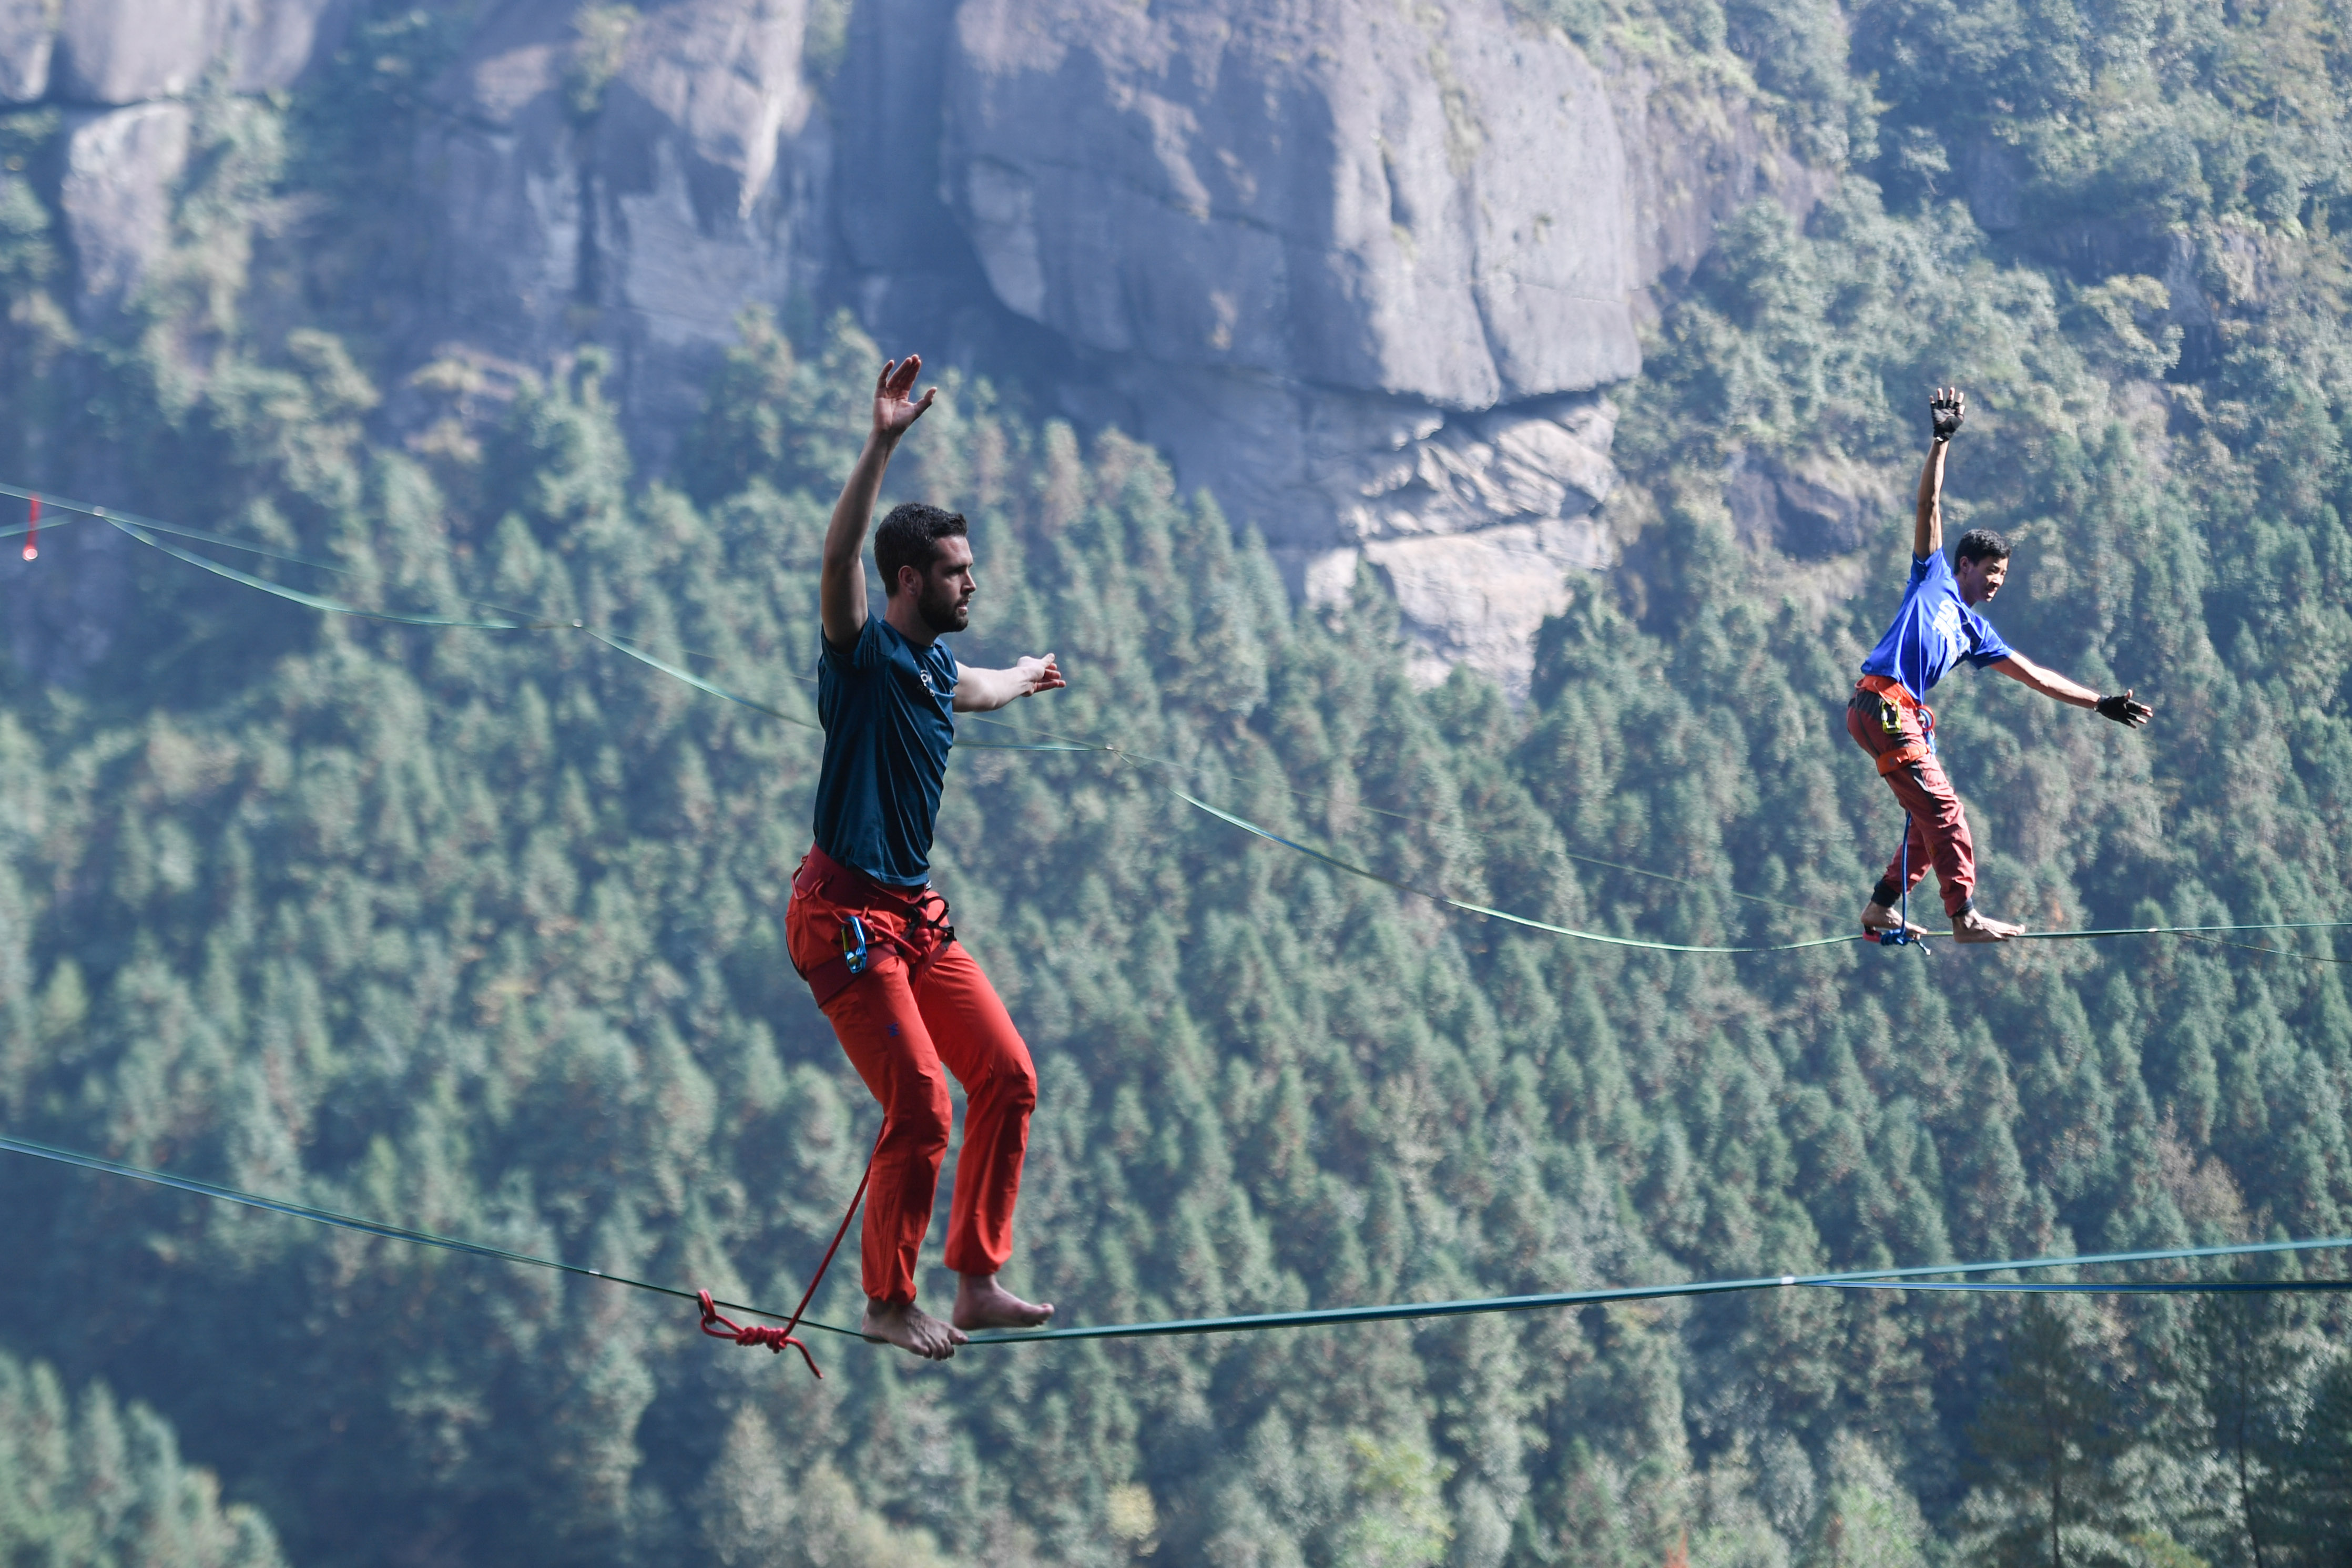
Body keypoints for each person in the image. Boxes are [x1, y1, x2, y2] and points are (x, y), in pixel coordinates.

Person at [786, 353, 1066, 1359]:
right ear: (908, 580)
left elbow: (978, 687)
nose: (971, 580)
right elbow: (835, 562)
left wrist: (1031, 673)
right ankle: (885, 1297)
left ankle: (978, 1276)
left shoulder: (938, 665)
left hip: (911, 915)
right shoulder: (862, 657)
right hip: (845, 922)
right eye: (956, 571)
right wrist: (880, 444)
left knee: (1008, 1075)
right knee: (922, 1102)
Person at [1850, 388, 2153, 943]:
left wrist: (2101, 702)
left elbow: (2037, 677)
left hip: (1892, 716)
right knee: (1947, 815)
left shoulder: (1975, 632)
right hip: (1882, 705)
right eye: (1990, 571)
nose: (1996, 582)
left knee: (1927, 822)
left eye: (2003, 576)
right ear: (1964, 564)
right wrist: (1941, 442)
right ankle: (1963, 916)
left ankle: (1881, 907)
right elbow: (1928, 508)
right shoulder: (1932, 576)